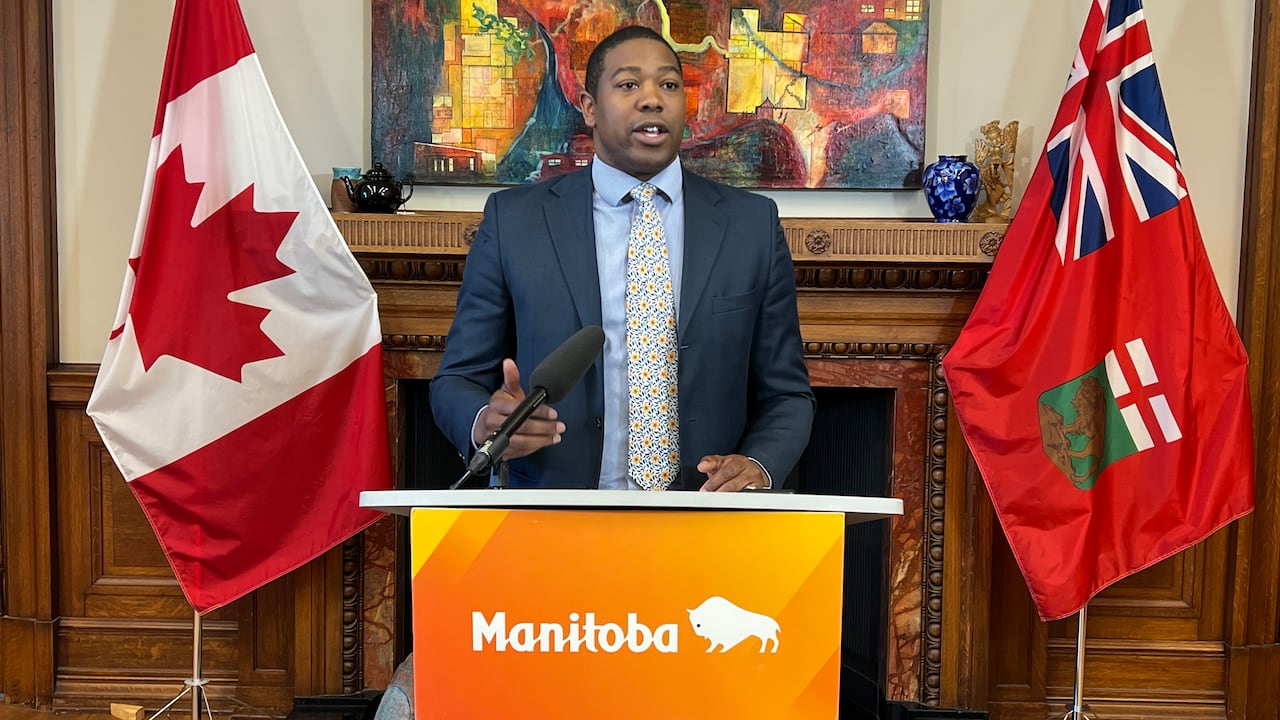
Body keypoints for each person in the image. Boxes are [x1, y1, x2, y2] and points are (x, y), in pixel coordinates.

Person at [430, 25, 814, 491]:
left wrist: (760, 463)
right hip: (549, 519)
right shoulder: (515, 222)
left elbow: (788, 394)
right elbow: (456, 381)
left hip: (705, 521)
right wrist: (485, 424)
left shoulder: (750, 225)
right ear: (590, 108)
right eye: (629, 84)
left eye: (669, 85)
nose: (652, 99)